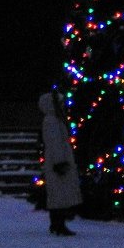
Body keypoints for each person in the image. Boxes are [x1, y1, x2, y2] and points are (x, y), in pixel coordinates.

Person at [39, 90, 82, 236]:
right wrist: (59, 162)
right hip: (58, 162)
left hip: (58, 160)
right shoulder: (52, 121)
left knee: (58, 193)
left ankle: (57, 223)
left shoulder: (54, 120)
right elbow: (55, 143)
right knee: (59, 193)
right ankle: (58, 223)